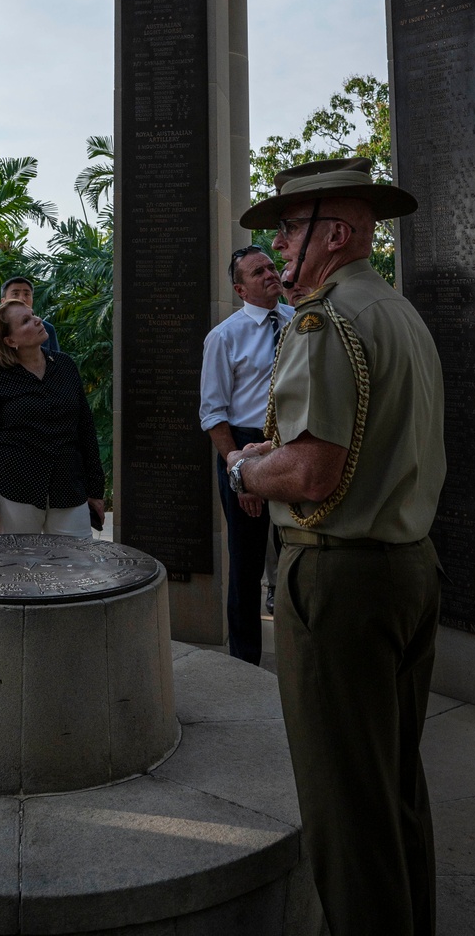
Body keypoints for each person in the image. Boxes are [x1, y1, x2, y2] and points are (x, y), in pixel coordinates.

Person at [228, 158, 446, 936]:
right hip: (409, 569)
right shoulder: (398, 312)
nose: (280, 243)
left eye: (291, 226)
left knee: (344, 811)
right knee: (393, 789)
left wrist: (247, 464)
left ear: (340, 233)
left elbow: (313, 469)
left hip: (341, 580)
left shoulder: (325, 322)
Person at [199, 245, 294, 662]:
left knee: (297, 559)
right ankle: (245, 664)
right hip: (243, 448)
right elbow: (213, 414)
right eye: (258, 272)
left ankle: (298, 654)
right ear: (240, 288)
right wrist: (241, 473)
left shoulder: (299, 322)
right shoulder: (224, 337)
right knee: (247, 565)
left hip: (294, 445)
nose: (270, 274)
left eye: (272, 267)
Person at [0, 299, 105, 537]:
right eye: (26, 321)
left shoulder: (65, 366)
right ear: (10, 341)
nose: (37, 320)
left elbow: (85, 429)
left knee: (77, 569)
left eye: (33, 315)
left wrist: (95, 490)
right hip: (15, 492)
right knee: (17, 570)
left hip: (69, 488)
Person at [0, 277, 59, 397]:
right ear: (3, 301)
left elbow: (58, 370)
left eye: (27, 294)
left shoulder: (46, 329)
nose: (22, 298)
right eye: (15, 293)